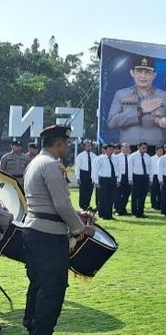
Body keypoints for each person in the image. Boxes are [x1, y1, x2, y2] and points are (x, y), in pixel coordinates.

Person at [22, 125, 95, 334]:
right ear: (59, 143)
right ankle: (41, 330)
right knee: (53, 287)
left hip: (34, 230)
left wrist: (76, 214)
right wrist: (81, 228)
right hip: (48, 236)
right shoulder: (52, 165)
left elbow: (48, 203)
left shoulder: (35, 162)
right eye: (67, 143)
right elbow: (60, 204)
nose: (69, 147)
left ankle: (32, 324)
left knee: (38, 283)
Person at [107, 56, 166, 145]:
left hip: (155, 152)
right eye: (139, 71)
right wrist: (140, 110)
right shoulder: (121, 94)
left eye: (147, 72)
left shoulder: (164, 96)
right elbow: (111, 123)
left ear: (154, 75)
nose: (143, 76)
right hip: (127, 151)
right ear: (132, 73)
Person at [92, 143, 119, 219]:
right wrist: (96, 182)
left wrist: (118, 180)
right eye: (109, 149)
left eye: (112, 149)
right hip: (103, 179)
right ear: (105, 150)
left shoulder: (115, 159)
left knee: (111, 198)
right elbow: (96, 171)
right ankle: (102, 214)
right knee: (103, 197)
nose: (111, 151)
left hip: (112, 179)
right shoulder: (100, 159)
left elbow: (117, 169)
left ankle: (109, 214)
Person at [128, 142, 152, 217]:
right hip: (136, 177)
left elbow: (150, 168)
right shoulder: (133, 156)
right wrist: (130, 178)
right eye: (143, 148)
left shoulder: (148, 157)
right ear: (138, 147)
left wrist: (150, 178)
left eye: (146, 148)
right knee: (135, 195)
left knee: (143, 195)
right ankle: (134, 212)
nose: (144, 149)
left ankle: (140, 212)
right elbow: (130, 168)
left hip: (145, 177)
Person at [74, 139, 96, 209]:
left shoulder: (94, 156)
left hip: (91, 174)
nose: (89, 147)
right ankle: (82, 205)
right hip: (83, 174)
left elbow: (95, 167)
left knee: (90, 190)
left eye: (90, 146)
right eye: (87, 145)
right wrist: (78, 177)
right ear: (84, 146)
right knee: (83, 191)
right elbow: (77, 167)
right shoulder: (80, 156)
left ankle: (87, 204)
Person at [113, 143, 131, 216]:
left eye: (128, 147)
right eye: (125, 147)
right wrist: (117, 179)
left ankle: (123, 208)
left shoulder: (131, 157)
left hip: (128, 177)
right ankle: (117, 209)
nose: (127, 149)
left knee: (126, 194)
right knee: (118, 194)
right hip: (120, 177)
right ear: (121, 148)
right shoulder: (116, 157)